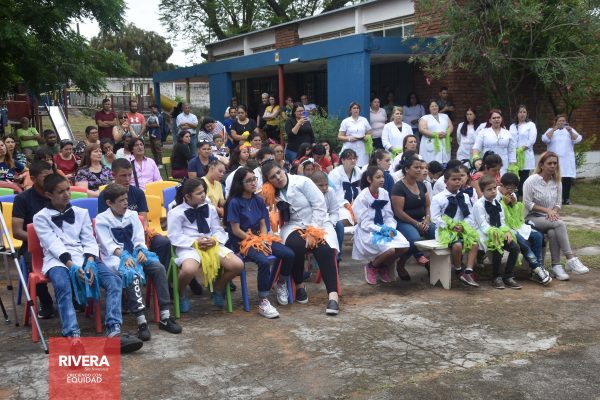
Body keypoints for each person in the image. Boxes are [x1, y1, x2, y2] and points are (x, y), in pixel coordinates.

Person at [32, 174, 143, 352]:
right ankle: (72, 337)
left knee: (114, 281)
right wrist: (72, 266)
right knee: (62, 285)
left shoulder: (81, 212)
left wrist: (90, 261)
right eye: (60, 192)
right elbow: (52, 244)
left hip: (85, 256)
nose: (66, 194)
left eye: (68, 189)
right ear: (48, 195)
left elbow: (89, 239)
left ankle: (114, 332)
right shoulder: (40, 217)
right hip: (57, 260)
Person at [96, 183, 182, 340]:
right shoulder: (101, 220)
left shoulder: (132, 215)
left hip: (135, 254)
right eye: (121, 201)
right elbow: (108, 244)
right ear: (109, 203)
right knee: (131, 273)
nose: (125, 203)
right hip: (116, 258)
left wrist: (141, 250)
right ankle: (141, 321)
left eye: (126, 199)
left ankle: (165, 315)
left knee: (158, 268)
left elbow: (138, 237)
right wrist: (124, 256)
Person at [260, 161, 340, 315]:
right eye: (272, 177)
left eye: (278, 172)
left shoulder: (302, 182)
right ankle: (299, 284)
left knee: (324, 249)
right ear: (268, 181)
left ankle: (333, 296)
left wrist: (312, 231)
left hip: (318, 222)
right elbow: (264, 208)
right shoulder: (271, 191)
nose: (278, 178)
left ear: (283, 170)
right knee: (295, 246)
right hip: (294, 225)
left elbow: (319, 205)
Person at [225, 167, 295, 318]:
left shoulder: (257, 200)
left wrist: (263, 239)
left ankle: (281, 283)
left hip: (260, 238)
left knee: (289, 254)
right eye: (248, 181)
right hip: (242, 241)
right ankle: (263, 301)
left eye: (254, 179)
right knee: (263, 261)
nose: (253, 183)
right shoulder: (234, 202)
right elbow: (236, 230)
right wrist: (255, 241)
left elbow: (263, 224)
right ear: (240, 183)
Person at [167, 178, 244, 312]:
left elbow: (218, 229)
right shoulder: (175, 212)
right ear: (188, 196)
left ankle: (218, 288)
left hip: (211, 243)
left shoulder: (210, 208)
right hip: (189, 247)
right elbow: (174, 236)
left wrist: (214, 240)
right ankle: (181, 292)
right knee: (188, 270)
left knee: (238, 265)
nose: (203, 195)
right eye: (199, 193)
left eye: (203, 191)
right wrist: (194, 242)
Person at [523, 152, 589, 281]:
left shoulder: (557, 181)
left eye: (555, 163)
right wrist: (548, 210)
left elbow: (558, 203)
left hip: (549, 218)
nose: (553, 166)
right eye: (549, 163)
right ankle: (570, 258)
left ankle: (556, 266)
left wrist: (554, 211)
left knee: (553, 232)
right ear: (542, 165)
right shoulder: (531, 180)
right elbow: (527, 203)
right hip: (532, 217)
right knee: (559, 223)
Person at [98, 158, 173, 268]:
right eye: (123, 175)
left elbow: (144, 221)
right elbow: (106, 222)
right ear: (113, 175)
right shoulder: (105, 195)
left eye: (130, 175)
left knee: (163, 243)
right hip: (117, 236)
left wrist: (141, 244)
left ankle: (161, 274)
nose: (128, 179)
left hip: (139, 232)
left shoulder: (138, 193)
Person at [12, 161, 55, 319]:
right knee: (33, 263)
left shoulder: (57, 194)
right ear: (33, 178)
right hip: (33, 244)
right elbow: (17, 232)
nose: (50, 181)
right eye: (45, 177)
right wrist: (41, 240)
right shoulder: (22, 199)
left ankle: (75, 298)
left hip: (58, 241)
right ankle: (46, 303)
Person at [353, 166, 409, 284]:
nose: (382, 179)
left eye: (382, 176)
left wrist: (390, 228)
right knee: (390, 250)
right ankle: (372, 266)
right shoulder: (362, 197)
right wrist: (380, 230)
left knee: (404, 246)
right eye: (378, 177)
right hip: (369, 231)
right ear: (369, 179)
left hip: (385, 228)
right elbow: (364, 223)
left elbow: (389, 215)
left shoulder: (384, 193)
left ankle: (382, 265)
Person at [498, 172, 551, 285]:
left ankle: (537, 268)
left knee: (538, 235)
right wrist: (504, 204)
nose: (510, 191)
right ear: (501, 185)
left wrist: (514, 204)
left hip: (516, 226)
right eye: (508, 188)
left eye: (514, 189)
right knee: (522, 242)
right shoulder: (496, 195)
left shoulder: (512, 195)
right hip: (503, 228)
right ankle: (537, 269)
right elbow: (498, 217)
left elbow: (518, 216)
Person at [430, 167, 480, 287]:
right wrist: (450, 226)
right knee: (457, 245)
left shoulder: (464, 196)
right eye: (454, 179)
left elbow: (469, 214)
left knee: (474, 242)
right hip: (445, 230)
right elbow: (435, 218)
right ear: (446, 181)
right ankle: (458, 270)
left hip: (462, 228)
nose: (458, 181)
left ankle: (468, 271)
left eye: (460, 179)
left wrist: (464, 226)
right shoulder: (438, 198)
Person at [391, 154, 436, 279]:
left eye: (421, 167)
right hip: (403, 221)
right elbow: (398, 212)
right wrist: (416, 224)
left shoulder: (421, 185)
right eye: (416, 167)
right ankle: (401, 263)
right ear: (406, 169)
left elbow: (428, 205)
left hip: (422, 220)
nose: (419, 170)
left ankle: (433, 264)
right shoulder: (398, 187)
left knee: (437, 233)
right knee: (414, 239)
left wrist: (427, 220)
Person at [472, 175, 522, 289]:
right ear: (482, 191)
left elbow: (502, 222)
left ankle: (508, 276)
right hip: (484, 234)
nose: (493, 191)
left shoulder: (498, 203)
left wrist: (506, 231)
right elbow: (483, 225)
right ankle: (496, 277)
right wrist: (497, 233)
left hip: (498, 232)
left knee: (515, 248)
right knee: (497, 246)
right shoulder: (478, 205)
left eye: (494, 188)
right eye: (489, 189)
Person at [541, 114, 582, 205]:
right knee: (554, 178)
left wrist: (570, 131)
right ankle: (553, 198)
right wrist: (553, 129)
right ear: (555, 122)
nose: (562, 122)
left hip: (567, 160)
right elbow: (545, 139)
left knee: (567, 178)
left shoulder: (569, 130)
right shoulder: (551, 130)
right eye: (560, 121)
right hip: (554, 160)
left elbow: (578, 139)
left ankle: (566, 198)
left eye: (563, 121)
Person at [311, 171, 344, 262]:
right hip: (312, 222)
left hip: (328, 220)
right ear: (312, 185)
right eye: (321, 185)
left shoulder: (330, 191)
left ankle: (336, 255)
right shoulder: (309, 194)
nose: (325, 188)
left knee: (339, 227)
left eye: (326, 184)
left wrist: (332, 223)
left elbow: (334, 211)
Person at [472, 109, 516, 175]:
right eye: (494, 118)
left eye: (498, 117)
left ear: (501, 119)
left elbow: (511, 151)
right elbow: (476, 148)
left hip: (504, 165)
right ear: (490, 120)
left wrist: (512, 165)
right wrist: (476, 159)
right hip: (488, 165)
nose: (496, 119)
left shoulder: (507, 133)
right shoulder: (483, 132)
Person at [328, 149, 363, 228]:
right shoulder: (335, 174)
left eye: (354, 158)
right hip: (340, 205)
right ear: (343, 160)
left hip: (356, 203)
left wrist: (357, 201)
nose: (353, 160)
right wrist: (346, 204)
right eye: (350, 159)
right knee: (345, 218)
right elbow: (334, 193)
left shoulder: (358, 171)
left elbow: (361, 189)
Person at [508, 105, 538, 195]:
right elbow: (510, 139)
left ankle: (522, 195)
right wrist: (513, 151)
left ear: (527, 114)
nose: (522, 114)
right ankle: (515, 194)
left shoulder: (530, 125)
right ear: (517, 114)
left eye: (524, 112)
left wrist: (521, 149)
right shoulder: (512, 126)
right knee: (514, 176)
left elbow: (532, 139)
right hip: (514, 155)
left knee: (524, 177)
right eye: (520, 112)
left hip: (525, 154)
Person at [418, 100, 453, 164]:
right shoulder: (425, 118)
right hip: (430, 142)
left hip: (444, 141)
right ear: (429, 108)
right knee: (431, 163)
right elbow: (422, 129)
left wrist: (447, 133)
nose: (434, 107)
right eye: (432, 106)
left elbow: (450, 126)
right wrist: (436, 134)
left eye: (436, 106)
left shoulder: (445, 116)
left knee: (445, 162)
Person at [338, 102, 372, 167]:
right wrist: (349, 138)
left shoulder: (364, 120)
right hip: (349, 147)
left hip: (362, 148)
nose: (356, 109)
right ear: (350, 110)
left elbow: (370, 133)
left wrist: (367, 136)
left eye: (357, 108)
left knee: (362, 167)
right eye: (354, 108)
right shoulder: (345, 121)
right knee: (349, 166)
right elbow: (339, 136)